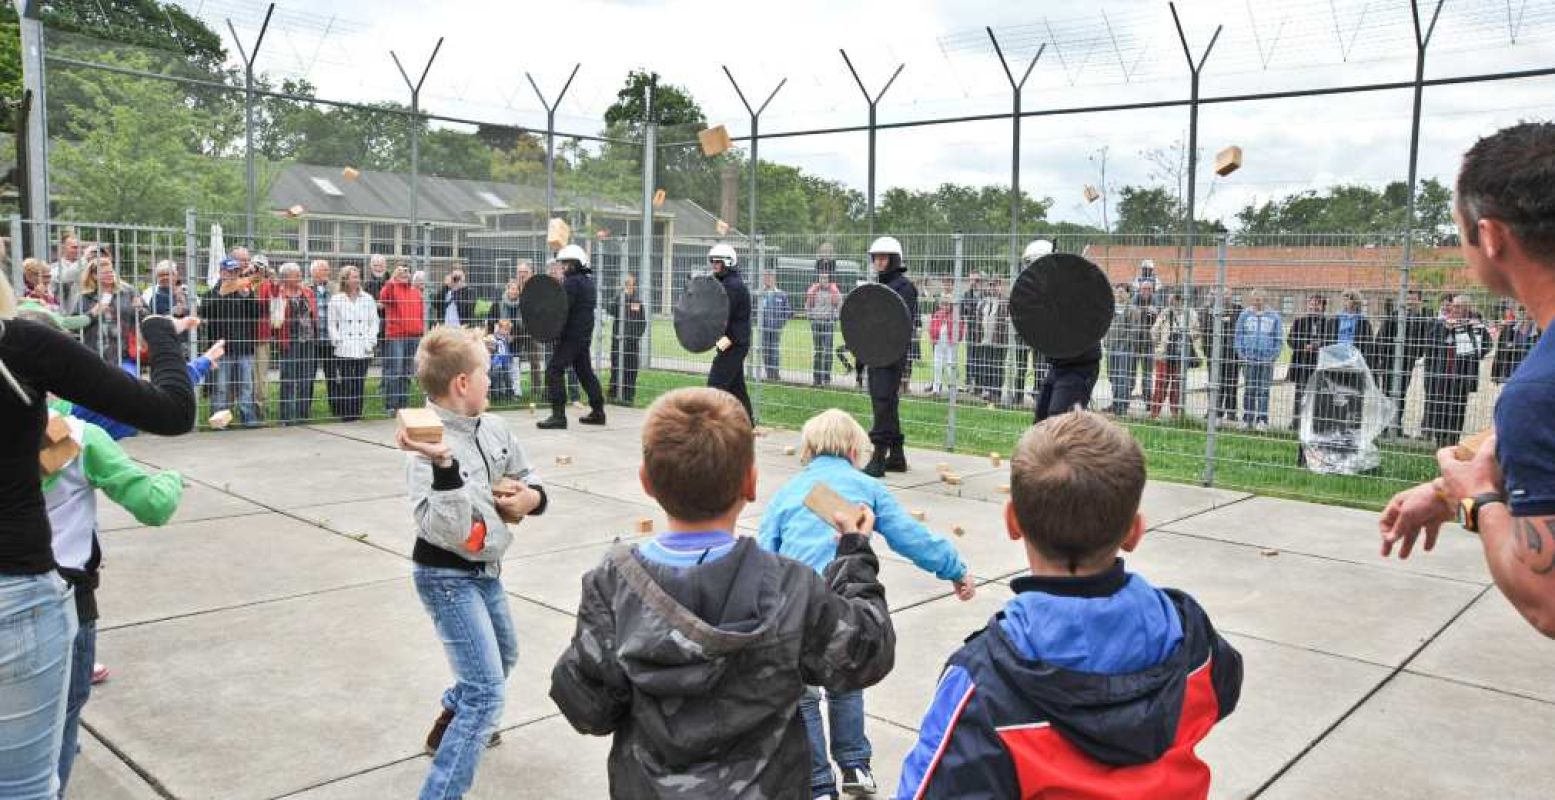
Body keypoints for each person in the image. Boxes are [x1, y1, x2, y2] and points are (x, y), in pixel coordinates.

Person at [549, 388, 896, 798]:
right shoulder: (790, 586)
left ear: (646, 482)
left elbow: (588, 708)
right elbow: (865, 653)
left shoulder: (613, 584)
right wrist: (854, 553)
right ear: (751, 483)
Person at [896, 411, 1243, 797]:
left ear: (1013, 522)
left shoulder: (983, 683)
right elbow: (1224, 692)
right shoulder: (1192, 638)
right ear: (1134, 532)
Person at [0, 269, 195, 799]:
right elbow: (172, 411)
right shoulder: (19, 347)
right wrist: (159, 332)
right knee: (23, 785)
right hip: (18, 589)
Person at [1379, 121, 1555, 640]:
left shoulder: (1537, 391)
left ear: (1491, 236)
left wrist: (1475, 501)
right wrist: (1445, 486)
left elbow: (1547, 600)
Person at [759, 409, 972, 798]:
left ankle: (819, 783)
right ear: (856, 449)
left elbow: (763, 551)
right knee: (847, 680)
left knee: (803, 694)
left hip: (795, 602)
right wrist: (953, 568)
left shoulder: (789, 492)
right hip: (844, 596)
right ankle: (855, 765)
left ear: (807, 449)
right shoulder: (866, 487)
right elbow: (910, 537)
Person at [393, 326, 547, 799]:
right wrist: (444, 466)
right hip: (445, 575)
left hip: (486, 571)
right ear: (462, 383)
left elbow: (527, 475)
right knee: (486, 692)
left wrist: (531, 498)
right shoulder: (427, 445)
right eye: (485, 371)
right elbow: (449, 530)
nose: (491, 378)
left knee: (504, 658)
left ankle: (452, 717)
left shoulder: (494, 427)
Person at [41, 408, 184, 794]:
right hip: (64, 599)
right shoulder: (80, 436)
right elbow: (153, 505)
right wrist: (172, 479)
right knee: (60, 722)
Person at [863, 236, 920, 477]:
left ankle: (878, 456)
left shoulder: (904, 288)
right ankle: (897, 457)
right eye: (876, 257)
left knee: (883, 401)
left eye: (883, 257)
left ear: (894, 259)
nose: (878, 262)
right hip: (875, 352)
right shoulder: (879, 286)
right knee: (887, 402)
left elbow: (900, 324)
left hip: (892, 354)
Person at [537, 245, 607, 429]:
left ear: (575, 264)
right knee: (585, 373)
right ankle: (598, 412)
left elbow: (562, 309)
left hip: (571, 337)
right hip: (583, 336)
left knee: (554, 369)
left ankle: (558, 416)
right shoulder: (587, 282)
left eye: (566, 263)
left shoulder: (572, 283)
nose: (563, 267)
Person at [1421, 294, 1490, 446]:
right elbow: (1429, 345)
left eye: (1459, 306)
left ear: (1467, 308)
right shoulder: (1441, 324)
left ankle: (1453, 441)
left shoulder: (1475, 325)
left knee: (1457, 410)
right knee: (1440, 408)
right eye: (1453, 306)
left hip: (1461, 376)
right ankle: (1440, 440)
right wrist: (1446, 330)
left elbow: (1486, 346)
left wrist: (1465, 333)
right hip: (1441, 375)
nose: (1454, 309)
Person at [705, 243, 754, 422]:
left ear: (728, 262)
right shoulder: (725, 283)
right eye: (713, 261)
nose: (714, 265)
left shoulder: (732, 286)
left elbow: (721, 312)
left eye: (718, 262)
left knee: (715, 384)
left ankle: (709, 423)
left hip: (734, 343)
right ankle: (748, 424)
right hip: (730, 342)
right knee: (736, 388)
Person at [72, 251, 144, 368]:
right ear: (94, 276)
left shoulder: (128, 291)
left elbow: (145, 316)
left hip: (125, 352)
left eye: (111, 272)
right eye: (104, 273)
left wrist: (139, 309)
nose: (110, 275)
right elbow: (74, 326)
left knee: (127, 382)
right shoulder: (85, 297)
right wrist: (93, 313)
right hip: (95, 354)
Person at [328, 266, 378, 422]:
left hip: (363, 346)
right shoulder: (336, 299)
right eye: (353, 277)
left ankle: (357, 413)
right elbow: (331, 323)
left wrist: (371, 341)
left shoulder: (368, 298)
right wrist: (336, 340)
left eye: (358, 276)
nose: (357, 280)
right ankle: (346, 415)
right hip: (345, 346)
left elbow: (374, 322)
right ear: (345, 279)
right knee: (346, 381)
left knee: (359, 381)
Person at [271, 263, 320, 425]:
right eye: (296, 274)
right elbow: (275, 317)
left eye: (300, 273)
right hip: (289, 341)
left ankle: (302, 415)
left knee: (306, 380)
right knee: (288, 379)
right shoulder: (279, 293)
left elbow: (314, 315)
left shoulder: (307, 292)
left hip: (308, 341)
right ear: (285, 277)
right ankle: (285, 417)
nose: (299, 277)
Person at [379, 263, 426, 416]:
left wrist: (420, 331)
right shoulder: (392, 288)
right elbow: (383, 297)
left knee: (407, 372)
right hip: (396, 336)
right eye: (401, 271)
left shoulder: (416, 292)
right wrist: (393, 279)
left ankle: (403, 404)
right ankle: (391, 406)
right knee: (395, 371)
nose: (405, 273)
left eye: (406, 271)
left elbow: (420, 314)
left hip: (413, 336)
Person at [1286, 293, 1336, 430]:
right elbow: (1290, 340)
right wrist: (1304, 346)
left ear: (1323, 307)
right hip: (1302, 363)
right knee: (1300, 394)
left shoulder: (1329, 323)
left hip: (1320, 364)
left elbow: (1332, 341)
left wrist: (1318, 347)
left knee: (1318, 396)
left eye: (1317, 304)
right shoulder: (1299, 321)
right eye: (1312, 303)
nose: (1314, 306)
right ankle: (1297, 423)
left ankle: (1315, 424)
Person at [1235, 288, 1282, 429]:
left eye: (1260, 298)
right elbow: (1238, 335)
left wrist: (1273, 356)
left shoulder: (1274, 316)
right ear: (1251, 299)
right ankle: (1247, 418)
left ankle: (1262, 420)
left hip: (1266, 359)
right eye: (1255, 298)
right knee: (1249, 389)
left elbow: (1278, 338)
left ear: (1265, 298)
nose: (1257, 300)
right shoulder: (1245, 315)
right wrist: (1241, 354)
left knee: (1264, 390)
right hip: (1249, 358)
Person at [1149, 292, 1200, 418]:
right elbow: (1154, 331)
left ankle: (1175, 413)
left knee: (1177, 384)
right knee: (1161, 384)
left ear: (1180, 299)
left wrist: (1186, 336)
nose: (1171, 302)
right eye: (1170, 299)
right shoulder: (1165, 313)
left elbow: (1197, 332)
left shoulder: (1191, 314)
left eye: (1174, 299)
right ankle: (1155, 412)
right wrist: (1158, 346)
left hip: (1181, 355)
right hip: (1164, 354)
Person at [1202, 288, 1243, 425]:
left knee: (1231, 383)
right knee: (1214, 383)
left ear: (1232, 296)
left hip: (1232, 354)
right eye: (1223, 294)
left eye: (1228, 294)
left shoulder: (1238, 310)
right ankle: (1214, 410)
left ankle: (1231, 412)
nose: (1225, 297)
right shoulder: (1210, 310)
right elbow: (1205, 330)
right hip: (1214, 354)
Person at [307, 260, 340, 418]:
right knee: (308, 375)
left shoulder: (335, 287)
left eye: (327, 270)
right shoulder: (306, 288)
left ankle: (336, 409)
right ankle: (304, 410)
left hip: (330, 340)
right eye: (323, 270)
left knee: (333, 375)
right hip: (312, 340)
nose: (327, 272)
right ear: (313, 273)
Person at [608, 274, 646, 404]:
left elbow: (642, 321)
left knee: (631, 368)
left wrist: (636, 336)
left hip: (632, 342)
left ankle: (628, 396)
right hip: (618, 340)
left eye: (632, 284)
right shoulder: (619, 299)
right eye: (628, 284)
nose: (631, 287)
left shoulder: (637, 301)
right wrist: (621, 295)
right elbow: (611, 310)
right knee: (616, 366)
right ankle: (613, 394)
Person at [807, 258, 843, 386]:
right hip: (816, 323)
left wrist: (834, 318)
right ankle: (816, 378)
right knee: (818, 351)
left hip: (828, 323)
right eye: (821, 278)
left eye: (825, 278)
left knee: (828, 351)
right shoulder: (813, 290)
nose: (823, 280)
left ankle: (826, 379)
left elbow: (840, 305)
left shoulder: (835, 291)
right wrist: (811, 317)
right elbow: (808, 306)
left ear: (829, 279)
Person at [1124, 280, 1159, 413]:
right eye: (1144, 289)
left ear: (1152, 290)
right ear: (1140, 289)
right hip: (1134, 343)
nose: (1146, 291)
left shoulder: (1155, 300)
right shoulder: (1134, 299)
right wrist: (1144, 311)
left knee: (1147, 375)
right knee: (1130, 373)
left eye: (1149, 289)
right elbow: (1133, 314)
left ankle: (1148, 402)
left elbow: (1155, 315)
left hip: (1149, 344)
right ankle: (1126, 401)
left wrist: (1151, 312)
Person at [487, 279, 525, 401]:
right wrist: (495, 337)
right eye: (512, 288)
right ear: (507, 289)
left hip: (515, 341)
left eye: (516, 289)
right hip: (498, 343)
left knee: (514, 368)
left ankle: (515, 392)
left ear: (519, 291)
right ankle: (499, 393)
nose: (514, 291)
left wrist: (513, 336)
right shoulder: (497, 305)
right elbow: (490, 323)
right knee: (498, 368)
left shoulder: (522, 306)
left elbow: (524, 325)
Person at [512, 261, 544, 400]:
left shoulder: (536, 287)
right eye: (520, 272)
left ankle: (536, 389)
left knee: (534, 360)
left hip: (532, 328)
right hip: (516, 329)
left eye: (525, 272)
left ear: (530, 273)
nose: (522, 275)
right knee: (514, 360)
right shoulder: (513, 287)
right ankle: (515, 390)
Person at [250, 251, 275, 420]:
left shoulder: (267, 285)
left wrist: (268, 281)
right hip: (243, 337)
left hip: (261, 336)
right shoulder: (243, 282)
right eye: (254, 266)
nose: (256, 270)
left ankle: (259, 407)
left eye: (260, 267)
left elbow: (271, 305)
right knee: (244, 376)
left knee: (260, 375)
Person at [1104, 284, 1134, 415]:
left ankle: (1122, 406)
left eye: (1122, 292)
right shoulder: (1110, 309)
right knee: (1113, 376)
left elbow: (1134, 331)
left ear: (1128, 294)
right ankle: (1115, 403)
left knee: (1123, 377)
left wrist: (1124, 344)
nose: (1119, 294)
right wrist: (1106, 341)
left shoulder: (1132, 310)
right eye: (1117, 292)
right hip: (1111, 347)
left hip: (1124, 348)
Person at [756, 270, 791, 383]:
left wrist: (781, 323)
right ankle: (769, 374)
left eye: (770, 277)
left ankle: (775, 374)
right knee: (765, 350)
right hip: (763, 328)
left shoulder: (781, 294)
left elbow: (788, 311)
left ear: (774, 279)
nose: (768, 280)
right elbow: (754, 310)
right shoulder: (760, 294)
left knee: (774, 350)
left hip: (776, 328)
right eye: (766, 277)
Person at [1493, 303, 1540, 383]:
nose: (1523, 312)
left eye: (1526, 309)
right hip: (1513, 371)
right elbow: (1500, 353)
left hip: (1531, 371)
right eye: (1521, 310)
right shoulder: (1510, 329)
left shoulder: (1539, 330)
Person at [928, 294, 962, 397]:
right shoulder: (937, 314)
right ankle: (936, 389)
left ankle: (953, 388)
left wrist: (956, 339)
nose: (944, 307)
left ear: (951, 305)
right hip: (938, 343)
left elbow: (960, 329)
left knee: (950, 365)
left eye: (947, 305)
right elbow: (932, 327)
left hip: (949, 343)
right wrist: (933, 338)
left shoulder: (954, 316)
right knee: (937, 365)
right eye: (943, 304)